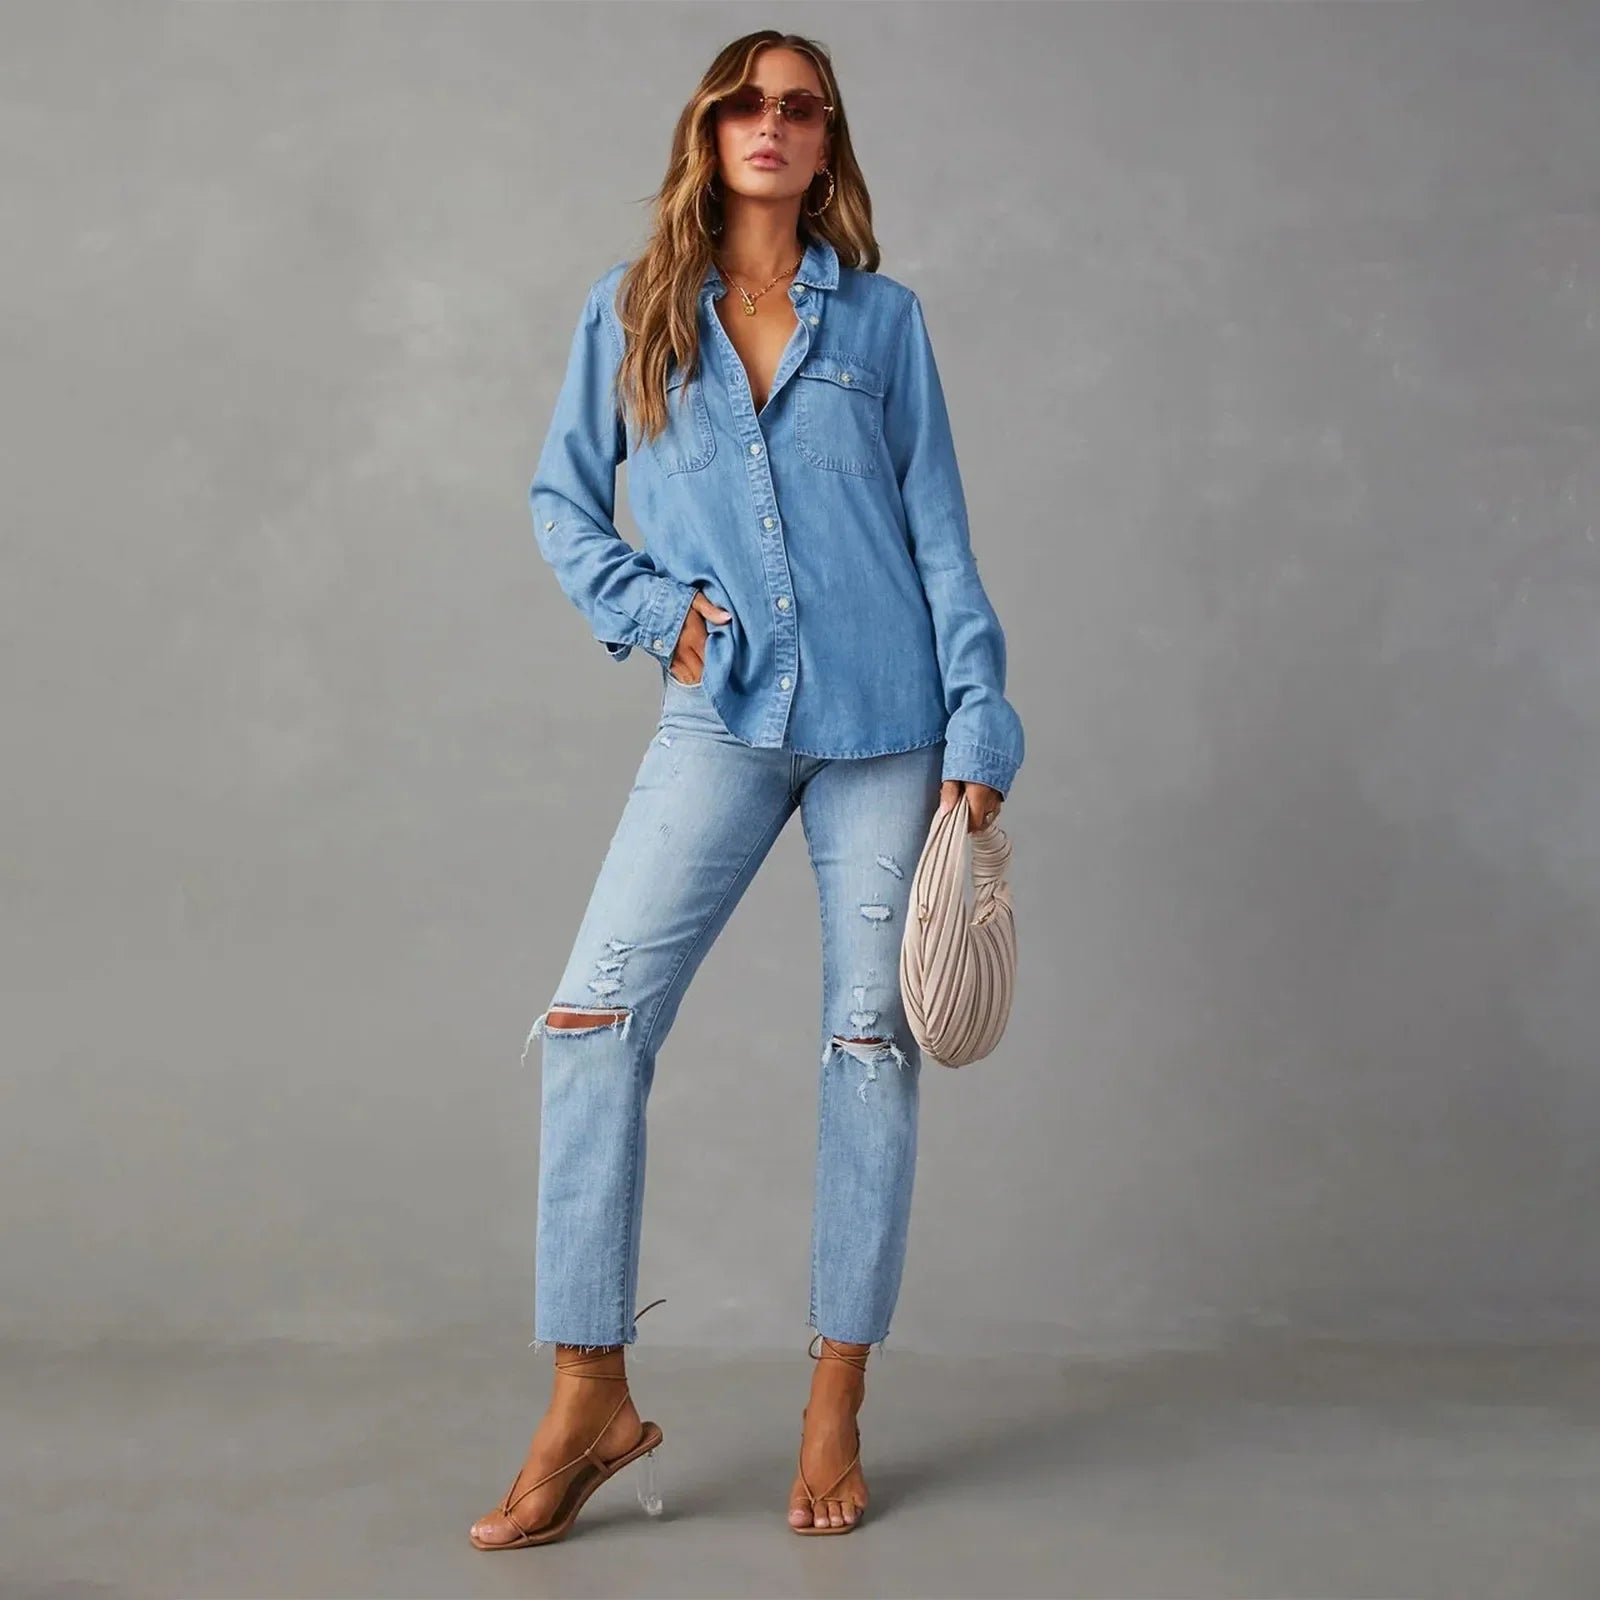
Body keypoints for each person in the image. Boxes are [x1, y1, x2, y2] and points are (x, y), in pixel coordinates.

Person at [470, 28, 1025, 1549]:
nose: (771, 125)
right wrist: (657, 611)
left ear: (827, 142)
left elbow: (940, 537)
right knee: (593, 1022)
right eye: (747, 103)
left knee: (868, 1044)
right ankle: (590, 1394)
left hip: (891, 722)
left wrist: (979, 726)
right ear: (708, 129)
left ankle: (836, 1397)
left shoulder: (886, 324)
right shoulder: (634, 311)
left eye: (802, 108)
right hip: (719, 715)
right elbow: (560, 499)